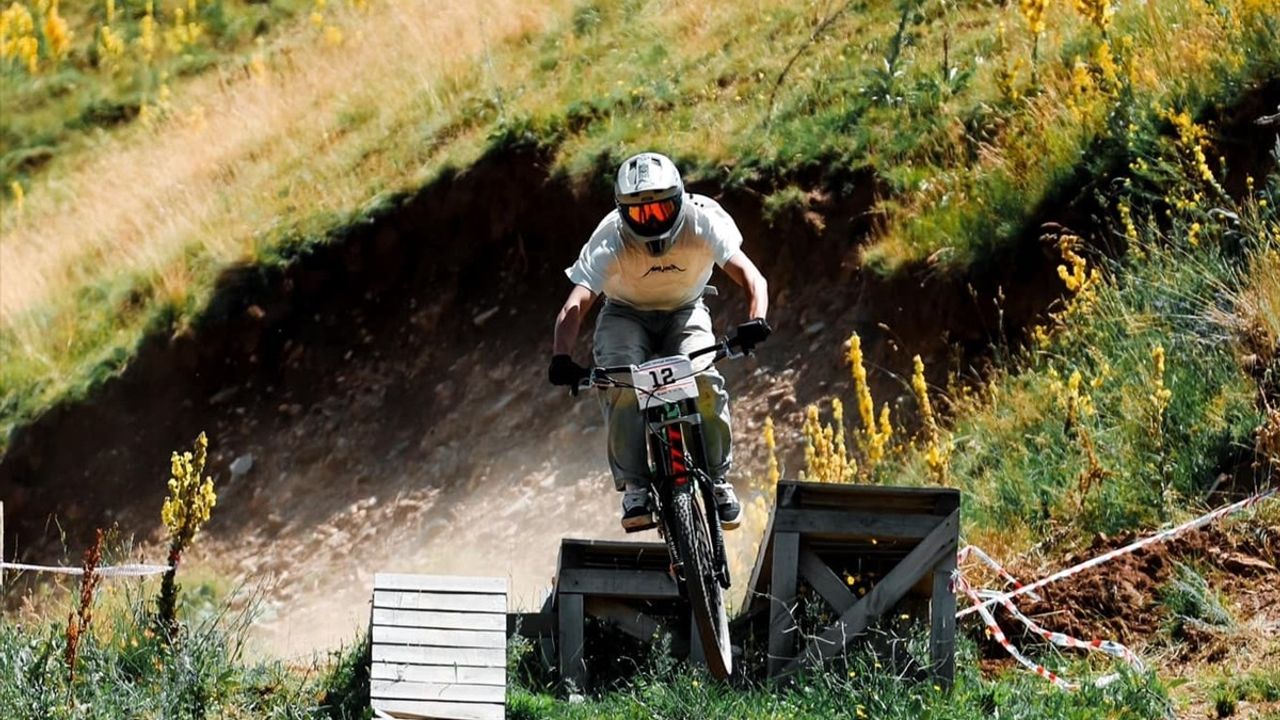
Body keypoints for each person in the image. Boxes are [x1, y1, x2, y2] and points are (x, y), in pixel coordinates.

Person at [548, 151, 771, 532]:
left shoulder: (703, 219)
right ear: (622, 213)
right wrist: (562, 356)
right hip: (624, 314)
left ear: (680, 199)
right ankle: (636, 485)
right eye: (639, 214)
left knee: (702, 379)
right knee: (621, 386)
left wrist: (756, 319)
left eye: (660, 209)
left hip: (686, 309)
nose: (650, 221)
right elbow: (576, 305)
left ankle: (717, 478)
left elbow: (752, 277)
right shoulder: (610, 237)